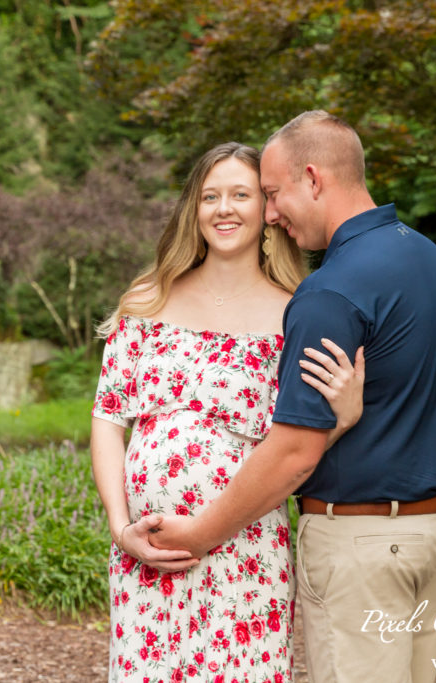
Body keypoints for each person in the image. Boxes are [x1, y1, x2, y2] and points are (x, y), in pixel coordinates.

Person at [150, 111, 436, 683]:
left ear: (313, 178)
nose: (271, 216)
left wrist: (199, 534)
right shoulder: (426, 255)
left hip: (365, 552)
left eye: (274, 194)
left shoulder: (330, 291)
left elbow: (294, 451)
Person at [90, 141, 366, 682]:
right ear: (193, 210)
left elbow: (294, 448)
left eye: (241, 194)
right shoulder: (146, 300)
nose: (224, 208)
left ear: (266, 210)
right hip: (147, 552)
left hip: (245, 555)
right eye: (210, 196)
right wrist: (121, 529)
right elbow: (107, 419)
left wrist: (345, 420)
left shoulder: (297, 310)